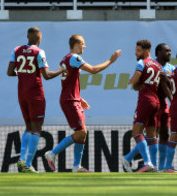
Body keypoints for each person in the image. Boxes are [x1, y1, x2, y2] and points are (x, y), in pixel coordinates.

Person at [44, 34, 121, 173]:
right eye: (83, 43)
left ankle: (76, 166)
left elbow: (69, 82)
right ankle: (52, 154)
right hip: (69, 100)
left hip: (73, 99)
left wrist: (79, 97)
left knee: (82, 133)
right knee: (81, 133)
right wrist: (111, 60)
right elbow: (93, 70)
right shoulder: (74, 58)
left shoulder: (66, 59)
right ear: (77, 44)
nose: (85, 46)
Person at [7, 26, 64, 173]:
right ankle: (28, 164)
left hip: (22, 93)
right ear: (39, 38)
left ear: (28, 36)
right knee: (37, 129)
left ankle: (22, 159)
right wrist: (62, 69)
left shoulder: (16, 50)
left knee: (28, 127)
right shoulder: (39, 52)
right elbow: (47, 75)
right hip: (35, 94)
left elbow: (9, 72)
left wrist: (24, 74)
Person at [120, 39, 172, 173]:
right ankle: (152, 165)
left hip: (145, 100)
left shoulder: (141, 63)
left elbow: (136, 81)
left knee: (136, 132)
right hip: (156, 102)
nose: (136, 53)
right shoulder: (158, 65)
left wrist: (134, 82)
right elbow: (164, 81)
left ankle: (148, 163)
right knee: (151, 136)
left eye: (138, 50)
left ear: (146, 51)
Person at [152, 43, 173, 170]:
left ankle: (161, 167)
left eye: (170, 51)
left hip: (164, 104)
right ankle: (151, 164)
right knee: (152, 134)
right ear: (159, 52)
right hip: (153, 104)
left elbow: (172, 86)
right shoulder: (151, 65)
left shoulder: (171, 67)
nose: (169, 53)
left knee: (165, 134)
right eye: (167, 51)